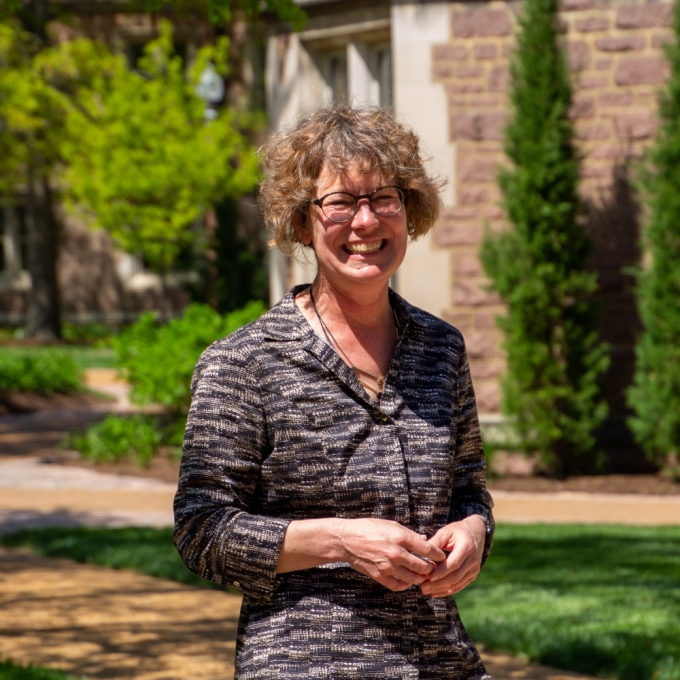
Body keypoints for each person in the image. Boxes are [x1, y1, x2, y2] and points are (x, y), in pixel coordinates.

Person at [174, 106, 495, 680]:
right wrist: (341, 542)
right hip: (304, 664)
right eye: (341, 203)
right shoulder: (245, 361)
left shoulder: (441, 348)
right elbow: (202, 531)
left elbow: (470, 490)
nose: (366, 222)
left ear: (409, 210)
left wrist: (473, 532)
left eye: (385, 198)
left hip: (441, 661)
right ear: (302, 223)